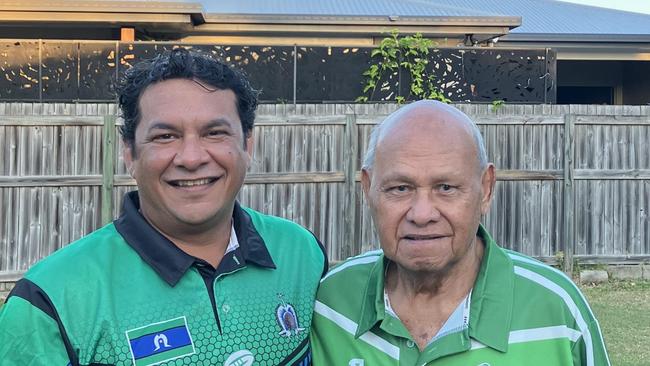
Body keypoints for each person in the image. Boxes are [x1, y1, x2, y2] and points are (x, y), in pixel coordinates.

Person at [0, 48, 327, 365]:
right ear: (129, 153)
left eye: (214, 133)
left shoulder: (303, 254)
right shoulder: (50, 300)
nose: (191, 158)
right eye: (165, 137)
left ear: (247, 144)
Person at [310, 100, 609, 365]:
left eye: (446, 188)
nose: (422, 214)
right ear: (368, 188)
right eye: (400, 188)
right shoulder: (328, 304)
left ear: (486, 189)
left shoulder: (555, 310)